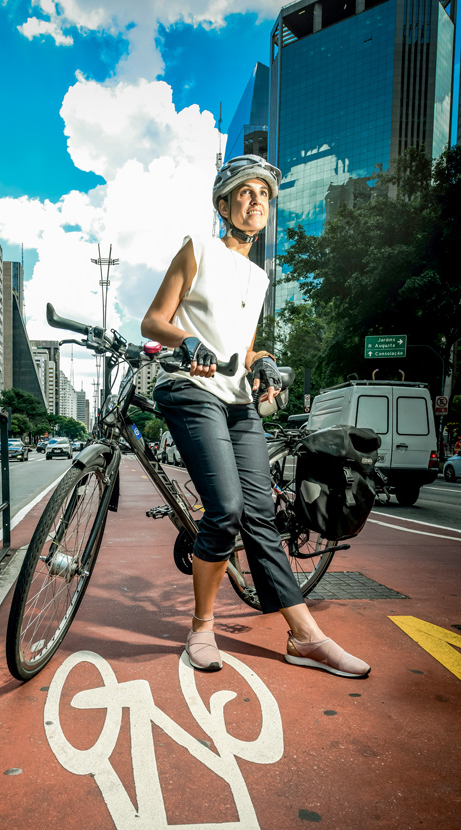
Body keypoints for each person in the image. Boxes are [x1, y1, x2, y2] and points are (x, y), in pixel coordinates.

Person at [141, 154, 370, 679]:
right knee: (223, 508)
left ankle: (306, 637)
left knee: (259, 514)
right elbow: (154, 320)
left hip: (237, 397)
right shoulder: (197, 249)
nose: (255, 202)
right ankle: (202, 628)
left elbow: (238, 349)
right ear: (223, 204)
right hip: (191, 389)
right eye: (245, 192)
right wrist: (188, 339)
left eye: (264, 195)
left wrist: (261, 359)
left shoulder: (259, 277)